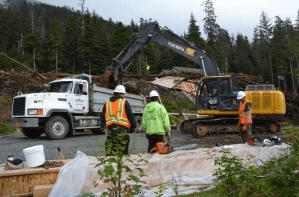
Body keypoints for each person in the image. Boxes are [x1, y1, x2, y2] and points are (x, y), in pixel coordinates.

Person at [100, 85, 137, 155]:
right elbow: (130, 115)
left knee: (110, 154)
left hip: (111, 132)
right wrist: (134, 127)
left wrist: (102, 126)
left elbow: (102, 115)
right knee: (123, 154)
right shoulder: (124, 102)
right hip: (122, 132)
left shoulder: (107, 102)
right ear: (121, 94)